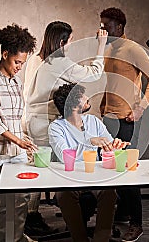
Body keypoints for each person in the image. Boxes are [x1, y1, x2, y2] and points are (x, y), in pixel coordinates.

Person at [22, 21, 108, 236]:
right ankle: (36, 219)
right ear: (62, 42)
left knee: (38, 166)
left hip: (29, 119)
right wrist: (101, 45)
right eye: (70, 41)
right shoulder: (58, 62)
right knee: (55, 169)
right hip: (44, 122)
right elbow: (94, 73)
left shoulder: (36, 59)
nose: (70, 45)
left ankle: (33, 216)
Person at [99, 7, 149, 241]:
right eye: (101, 24)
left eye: (106, 25)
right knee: (110, 169)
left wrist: (140, 108)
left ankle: (137, 223)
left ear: (119, 26)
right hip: (109, 118)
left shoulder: (133, 49)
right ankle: (123, 213)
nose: (102, 29)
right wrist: (104, 107)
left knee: (127, 171)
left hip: (128, 119)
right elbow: (110, 82)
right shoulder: (108, 49)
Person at [0, 24, 37, 242]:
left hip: (17, 151)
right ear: (5, 54)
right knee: (2, 204)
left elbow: (17, 119)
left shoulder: (16, 83)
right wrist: (19, 141)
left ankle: (17, 238)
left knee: (20, 201)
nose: (20, 67)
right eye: (17, 62)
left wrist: (25, 141)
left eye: (23, 62)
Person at [48, 83, 129, 242]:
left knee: (109, 192)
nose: (87, 98)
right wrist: (90, 142)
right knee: (64, 194)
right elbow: (66, 155)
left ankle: (101, 239)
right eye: (82, 96)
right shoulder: (56, 128)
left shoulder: (93, 121)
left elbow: (109, 147)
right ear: (73, 106)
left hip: (96, 175)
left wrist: (114, 146)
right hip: (71, 177)